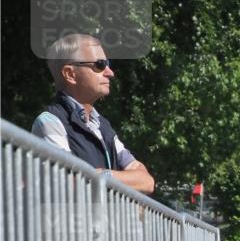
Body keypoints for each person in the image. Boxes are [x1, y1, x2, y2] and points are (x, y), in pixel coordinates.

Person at [32, 33, 154, 194]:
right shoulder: (50, 123)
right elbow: (69, 181)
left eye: (108, 63)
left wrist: (102, 175)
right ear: (70, 74)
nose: (110, 72)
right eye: (100, 65)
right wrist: (117, 178)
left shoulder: (103, 126)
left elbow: (146, 182)